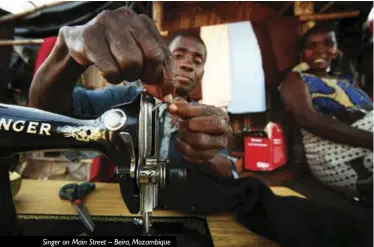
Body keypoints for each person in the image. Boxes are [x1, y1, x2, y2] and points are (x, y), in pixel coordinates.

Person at [29, 8, 372, 246]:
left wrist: (207, 158)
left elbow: (227, 174)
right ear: (161, 56)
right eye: (179, 54)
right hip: (108, 207)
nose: (188, 63)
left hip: (175, 216)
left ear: (203, 74)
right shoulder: (121, 96)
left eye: (197, 60)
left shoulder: (205, 118)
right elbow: (47, 111)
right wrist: (66, 52)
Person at [280, 23, 373, 205]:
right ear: (302, 53)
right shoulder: (296, 80)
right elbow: (307, 118)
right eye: (312, 46)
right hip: (336, 153)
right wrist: (370, 140)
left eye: (328, 43)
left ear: (336, 48)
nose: (320, 51)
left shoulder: (344, 80)